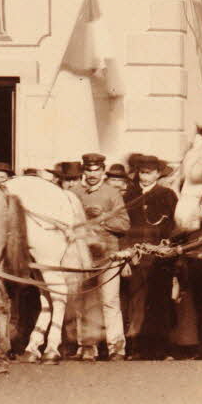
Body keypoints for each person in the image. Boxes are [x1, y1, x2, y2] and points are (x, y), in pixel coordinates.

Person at [68, 152, 129, 360]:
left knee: (110, 301)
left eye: (96, 170)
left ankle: (116, 348)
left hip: (108, 255)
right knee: (84, 302)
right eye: (88, 170)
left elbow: (124, 225)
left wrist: (101, 219)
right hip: (83, 256)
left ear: (103, 171)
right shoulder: (74, 193)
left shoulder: (112, 194)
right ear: (83, 171)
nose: (92, 174)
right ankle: (87, 346)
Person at [121, 153, 179, 359]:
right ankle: (135, 348)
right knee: (135, 301)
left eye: (149, 173)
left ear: (157, 174)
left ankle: (160, 348)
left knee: (160, 301)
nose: (144, 177)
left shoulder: (167, 195)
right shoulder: (129, 195)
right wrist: (127, 253)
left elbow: (174, 224)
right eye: (141, 173)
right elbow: (124, 226)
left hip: (160, 258)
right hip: (136, 256)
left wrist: (168, 244)